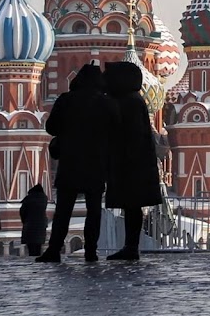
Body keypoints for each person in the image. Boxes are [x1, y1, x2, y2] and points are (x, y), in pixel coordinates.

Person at [38, 64, 118, 263]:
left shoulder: (66, 100)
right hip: (96, 162)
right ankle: (91, 250)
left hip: (70, 162)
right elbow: (117, 129)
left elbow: (51, 127)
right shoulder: (106, 103)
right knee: (94, 210)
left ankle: (54, 250)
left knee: (63, 210)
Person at [103, 62, 162, 260]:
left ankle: (131, 246)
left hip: (131, 166)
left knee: (132, 206)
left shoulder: (129, 103)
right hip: (133, 165)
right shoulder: (132, 101)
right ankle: (130, 246)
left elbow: (129, 135)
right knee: (132, 206)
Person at [19, 184, 49, 257]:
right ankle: (37, 258)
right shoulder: (44, 199)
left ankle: (33, 260)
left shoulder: (28, 199)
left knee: (31, 247)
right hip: (41, 225)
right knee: (38, 245)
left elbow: (22, 212)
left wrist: (25, 221)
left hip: (30, 225)